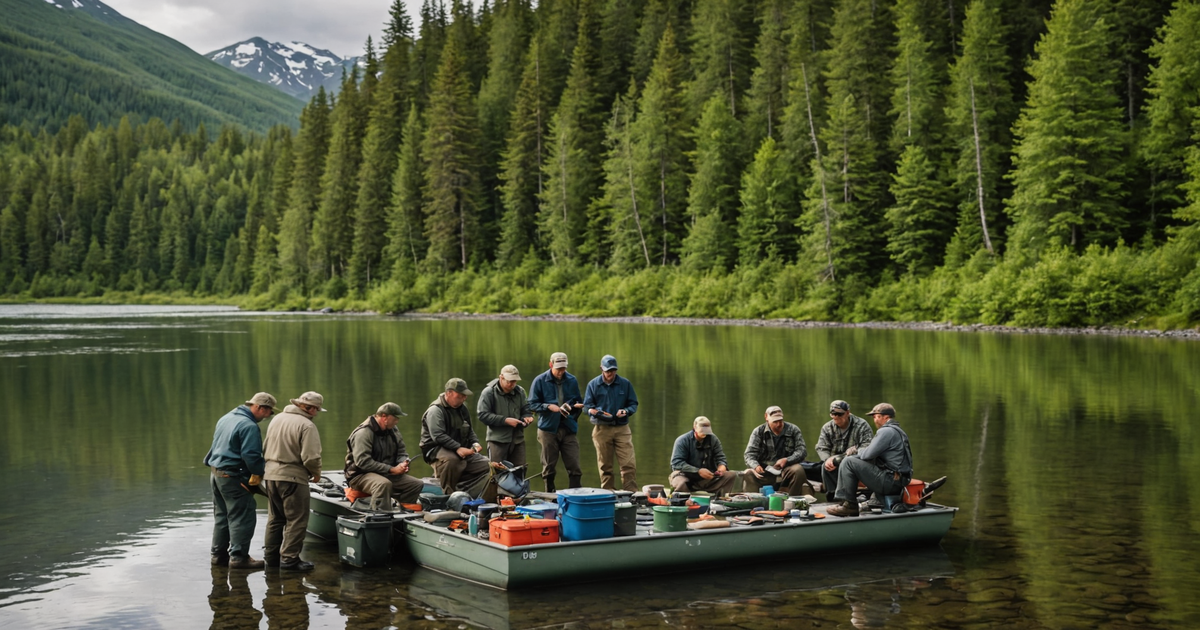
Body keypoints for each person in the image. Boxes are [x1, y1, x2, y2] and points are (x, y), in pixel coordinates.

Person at [204, 392, 275, 569]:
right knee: (242, 516)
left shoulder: (226, 418)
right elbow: (251, 456)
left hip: (216, 474)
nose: (268, 417)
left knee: (222, 517)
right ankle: (239, 557)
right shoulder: (248, 425)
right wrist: (260, 472)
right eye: (268, 412)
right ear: (259, 407)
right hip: (233, 477)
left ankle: (218, 556)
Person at [262, 391, 325, 571]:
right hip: (293, 477)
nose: (317, 413)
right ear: (310, 408)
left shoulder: (277, 418)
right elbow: (311, 457)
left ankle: (270, 558)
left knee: (275, 519)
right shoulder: (307, 425)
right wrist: (316, 473)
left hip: (270, 475)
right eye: (317, 410)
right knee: (297, 519)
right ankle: (289, 560)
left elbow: (265, 445)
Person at [827, 403, 914, 517]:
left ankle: (849, 505)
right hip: (899, 481)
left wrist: (857, 450)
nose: (874, 420)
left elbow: (866, 455)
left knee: (848, 462)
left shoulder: (886, 431)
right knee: (852, 459)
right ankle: (872, 499)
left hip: (890, 482)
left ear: (885, 417)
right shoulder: (898, 431)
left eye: (875, 416)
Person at [419, 378, 493, 496]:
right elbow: (438, 436)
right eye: (460, 396)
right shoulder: (435, 410)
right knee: (453, 460)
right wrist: (458, 448)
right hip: (436, 449)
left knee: (488, 464)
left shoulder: (462, 409)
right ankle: (447, 493)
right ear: (449, 393)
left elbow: (469, 430)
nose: (464, 398)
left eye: (465, 396)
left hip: (458, 448)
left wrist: (474, 443)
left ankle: (467, 489)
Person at [344, 402, 424, 511]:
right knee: (383, 484)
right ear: (384, 417)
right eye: (395, 418)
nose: (397, 421)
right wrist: (391, 469)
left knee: (416, 484)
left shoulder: (393, 430)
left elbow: (401, 451)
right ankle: (381, 515)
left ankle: (405, 512)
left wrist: (403, 463)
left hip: (384, 472)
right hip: (360, 475)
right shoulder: (364, 433)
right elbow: (363, 462)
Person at [528, 352, 585, 492]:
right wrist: (547, 406)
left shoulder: (572, 380)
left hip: (568, 427)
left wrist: (575, 408)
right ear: (550, 364)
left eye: (563, 368)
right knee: (549, 466)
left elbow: (578, 400)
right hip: (548, 429)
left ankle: (575, 496)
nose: (561, 372)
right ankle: (549, 495)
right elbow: (531, 405)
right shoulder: (539, 380)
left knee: (574, 465)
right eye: (558, 368)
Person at [584, 354, 640, 492]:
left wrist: (626, 411)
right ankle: (608, 493)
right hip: (601, 428)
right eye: (608, 370)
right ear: (601, 369)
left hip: (622, 428)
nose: (611, 373)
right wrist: (594, 411)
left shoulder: (625, 384)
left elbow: (633, 403)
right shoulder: (593, 384)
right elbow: (586, 406)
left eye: (613, 370)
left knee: (628, 463)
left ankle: (631, 493)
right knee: (605, 465)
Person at [743, 405, 813, 496]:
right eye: (775, 421)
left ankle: (791, 499)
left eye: (780, 420)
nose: (779, 424)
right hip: (765, 470)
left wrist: (787, 460)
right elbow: (749, 454)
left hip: (787, 469)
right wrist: (755, 466)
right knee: (748, 473)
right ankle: (754, 502)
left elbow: (802, 451)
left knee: (798, 470)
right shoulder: (758, 432)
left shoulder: (793, 429)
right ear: (766, 417)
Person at [816, 400, 875, 502]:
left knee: (845, 463)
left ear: (848, 413)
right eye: (833, 414)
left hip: (855, 462)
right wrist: (828, 459)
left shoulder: (861, 425)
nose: (836, 417)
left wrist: (842, 457)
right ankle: (833, 499)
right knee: (825, 466)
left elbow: (866, 448)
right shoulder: (827, 428)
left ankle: (850, 500)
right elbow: (821, 447)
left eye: (840, 414)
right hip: (834, 463)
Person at [477, 364, 534, 469]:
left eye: (515, 381)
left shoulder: (520, 391)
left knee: (519, 472)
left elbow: (526, 409)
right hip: (497, 441)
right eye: (509, 381)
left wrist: (527, 417)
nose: (512, 384)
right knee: (497, 474)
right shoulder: (489, 392)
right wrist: (505, 420)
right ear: (501, 377)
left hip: (518, 440)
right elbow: (483, 415)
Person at [669, 416, 738, 496]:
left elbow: (721, 457)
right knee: (680, 482)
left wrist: (722, 466)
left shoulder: (713, 439)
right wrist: (698, 471)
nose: (705, 433)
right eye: (702, 430)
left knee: (731, 475)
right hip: (685, 476)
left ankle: (721, 499)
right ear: (695, 427)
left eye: (707, 430)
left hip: (707, 477)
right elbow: (676, 463)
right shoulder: (682, 440)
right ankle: (684, 502)